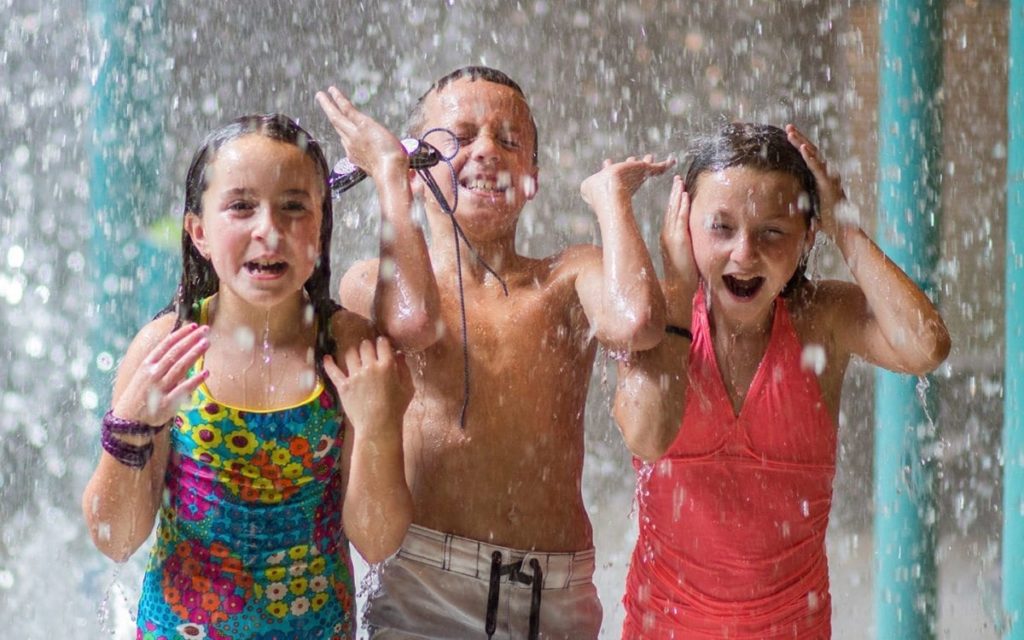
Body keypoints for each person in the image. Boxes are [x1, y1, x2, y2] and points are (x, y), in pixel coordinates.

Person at [318, 66, 669, 639]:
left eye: (510, 141)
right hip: (426, 586)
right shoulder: (371, 286)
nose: (486, 151)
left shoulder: (567, 276)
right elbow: (414, 322)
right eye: (457, 137)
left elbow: (638, 321)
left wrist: (611, 202)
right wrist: (386, 176)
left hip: (553, 595)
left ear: (533, 174)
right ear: (414, 166)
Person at [81, 113, 414, 640]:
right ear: (199, 233)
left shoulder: (347, 349)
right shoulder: (168, 350)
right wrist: (129, 428)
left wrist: (377, 427)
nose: (269, 230)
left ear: (321, 226)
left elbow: (378, 543)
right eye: (241, 206)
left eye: (293, 207)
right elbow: (115, 538)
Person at [613, 123, 952, 639]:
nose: (745, 253)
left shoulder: (819, 319)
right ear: (684, 228)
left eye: (772, 231)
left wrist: (846, 226)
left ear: (807, 236)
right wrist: (679, 287)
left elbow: (926, 345)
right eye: (721, 228)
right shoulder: (655, 316)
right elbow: (644, 433)